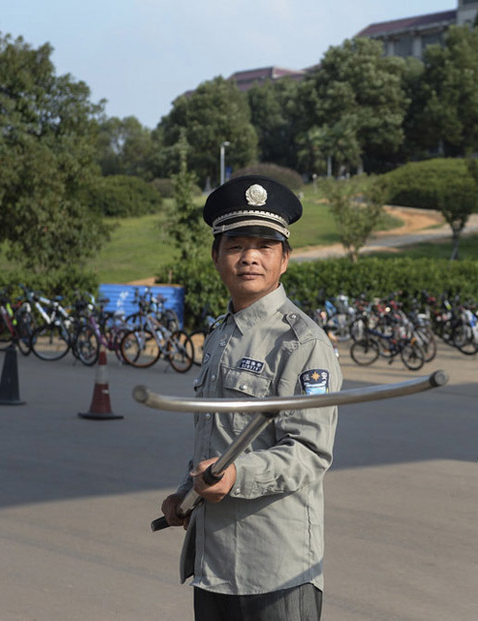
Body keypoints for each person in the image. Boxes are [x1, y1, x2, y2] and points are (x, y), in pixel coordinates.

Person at [160, 175, 341, 621]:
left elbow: (309, 453)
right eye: (237, 245)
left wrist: (237, 476)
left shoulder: (302, 343)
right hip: (215, 564)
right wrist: (186, 492)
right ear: (216, 256)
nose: (250, 258)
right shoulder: (220, 335)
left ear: (285, 259)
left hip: (275, 568)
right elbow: (216, 438)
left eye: (264, 246)